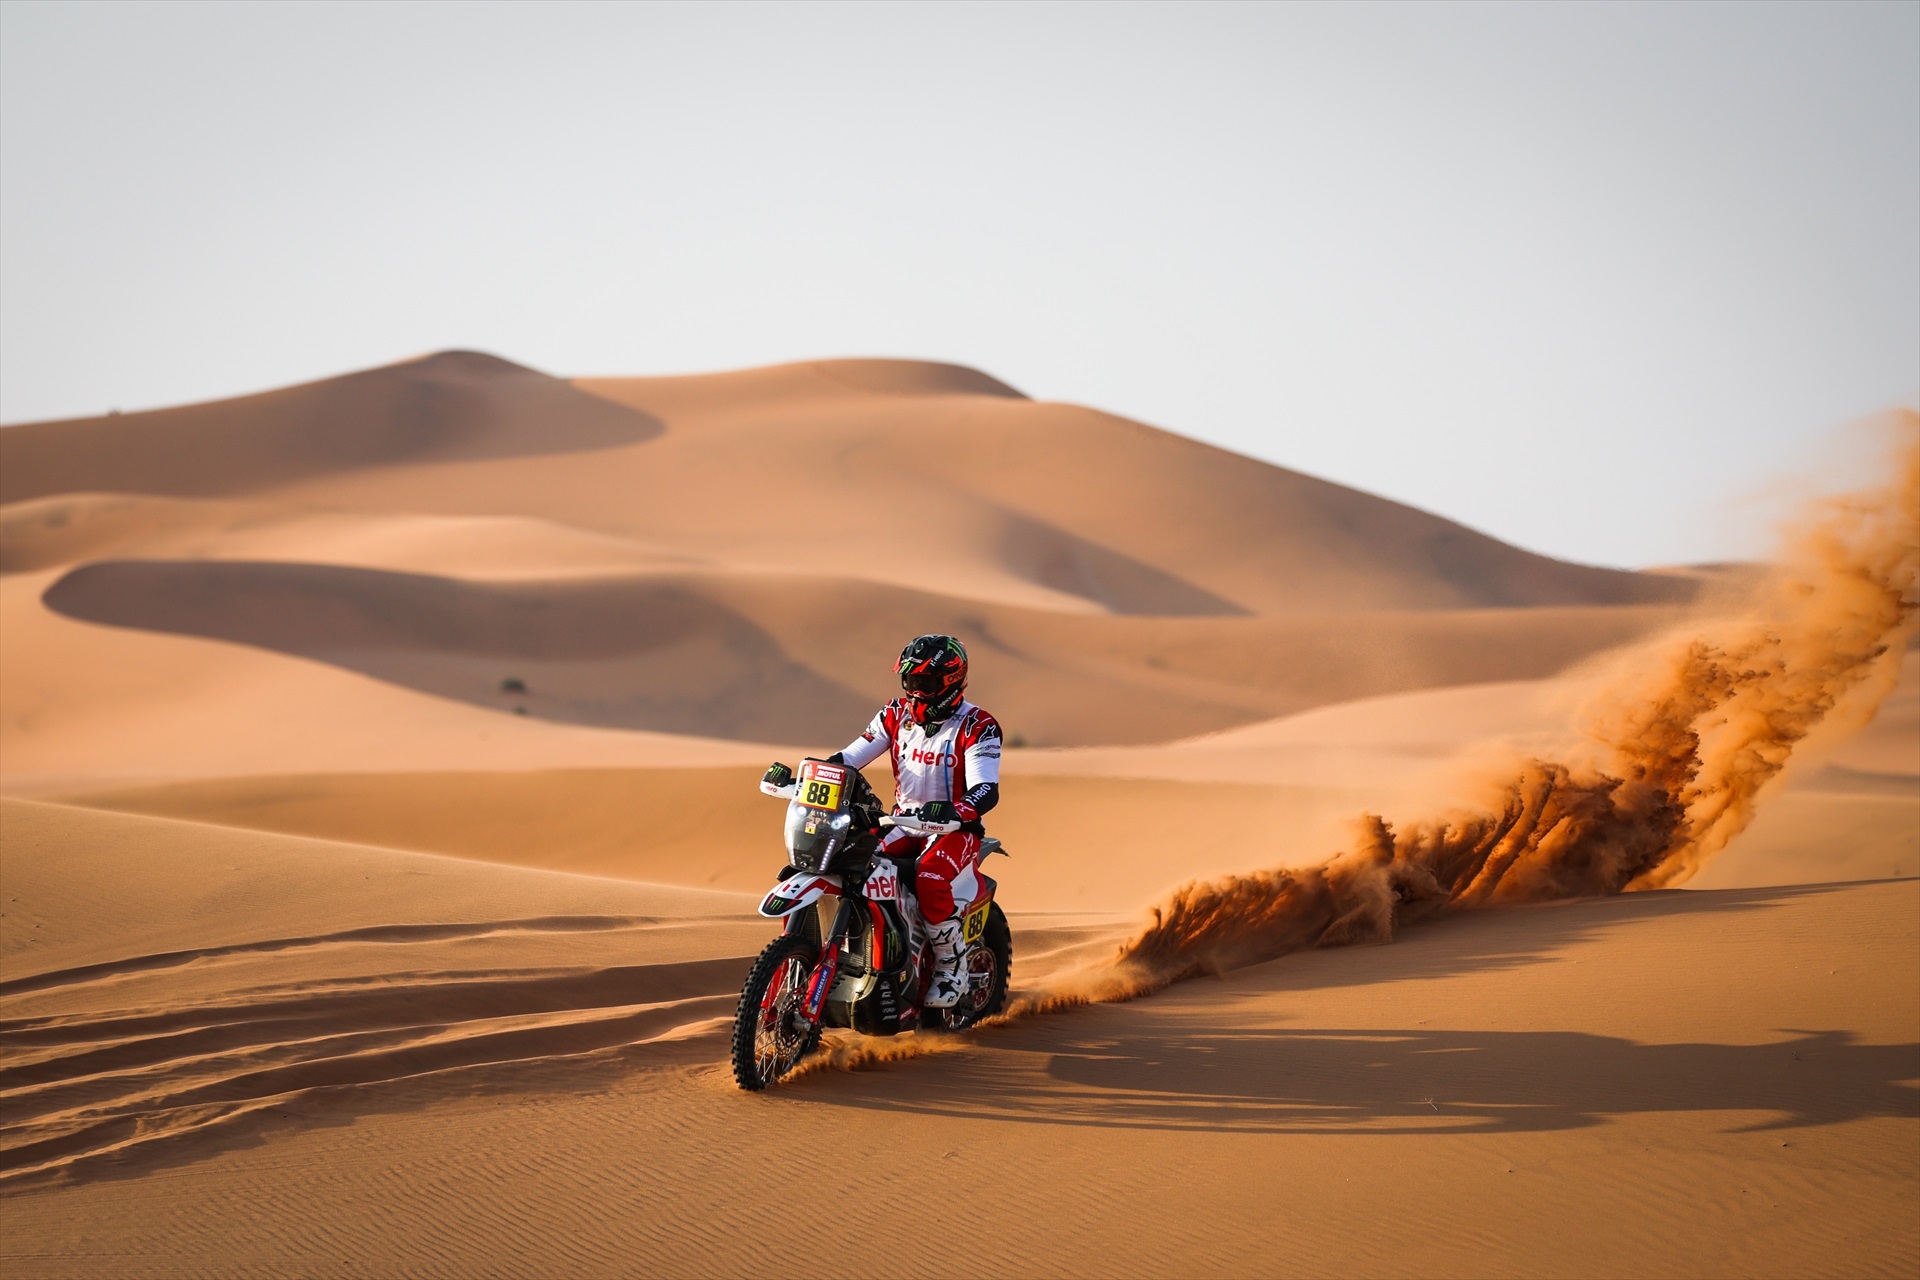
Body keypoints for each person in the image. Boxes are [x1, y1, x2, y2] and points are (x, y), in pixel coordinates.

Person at [767, 634, 1001, 1007]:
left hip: (953, 830)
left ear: (951, 681)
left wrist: (957, 810)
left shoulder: (978, 725)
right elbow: (847, 759)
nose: (916, 693)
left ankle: (950, 965)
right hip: (902, 821)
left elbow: (986, 789)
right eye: (909, 683)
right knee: (851, 858)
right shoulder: (894, 715)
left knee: (928, 877)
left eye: (925, 683)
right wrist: (804, 779)